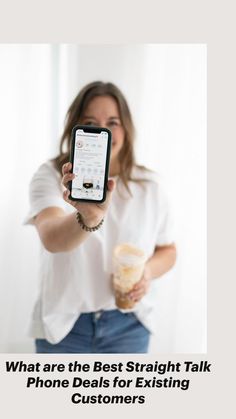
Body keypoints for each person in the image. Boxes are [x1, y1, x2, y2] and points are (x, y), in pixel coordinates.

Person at [25, 81, 177, 353]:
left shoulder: (150, 185)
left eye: (113, 121)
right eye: (90, 121)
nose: (102, 130)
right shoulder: (51, 175)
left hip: (128, 325)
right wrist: (89, 218)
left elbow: (168, 250)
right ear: (75, 127)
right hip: (65, 328)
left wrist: (147, 272)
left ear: (127, 128)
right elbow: (51, 238)